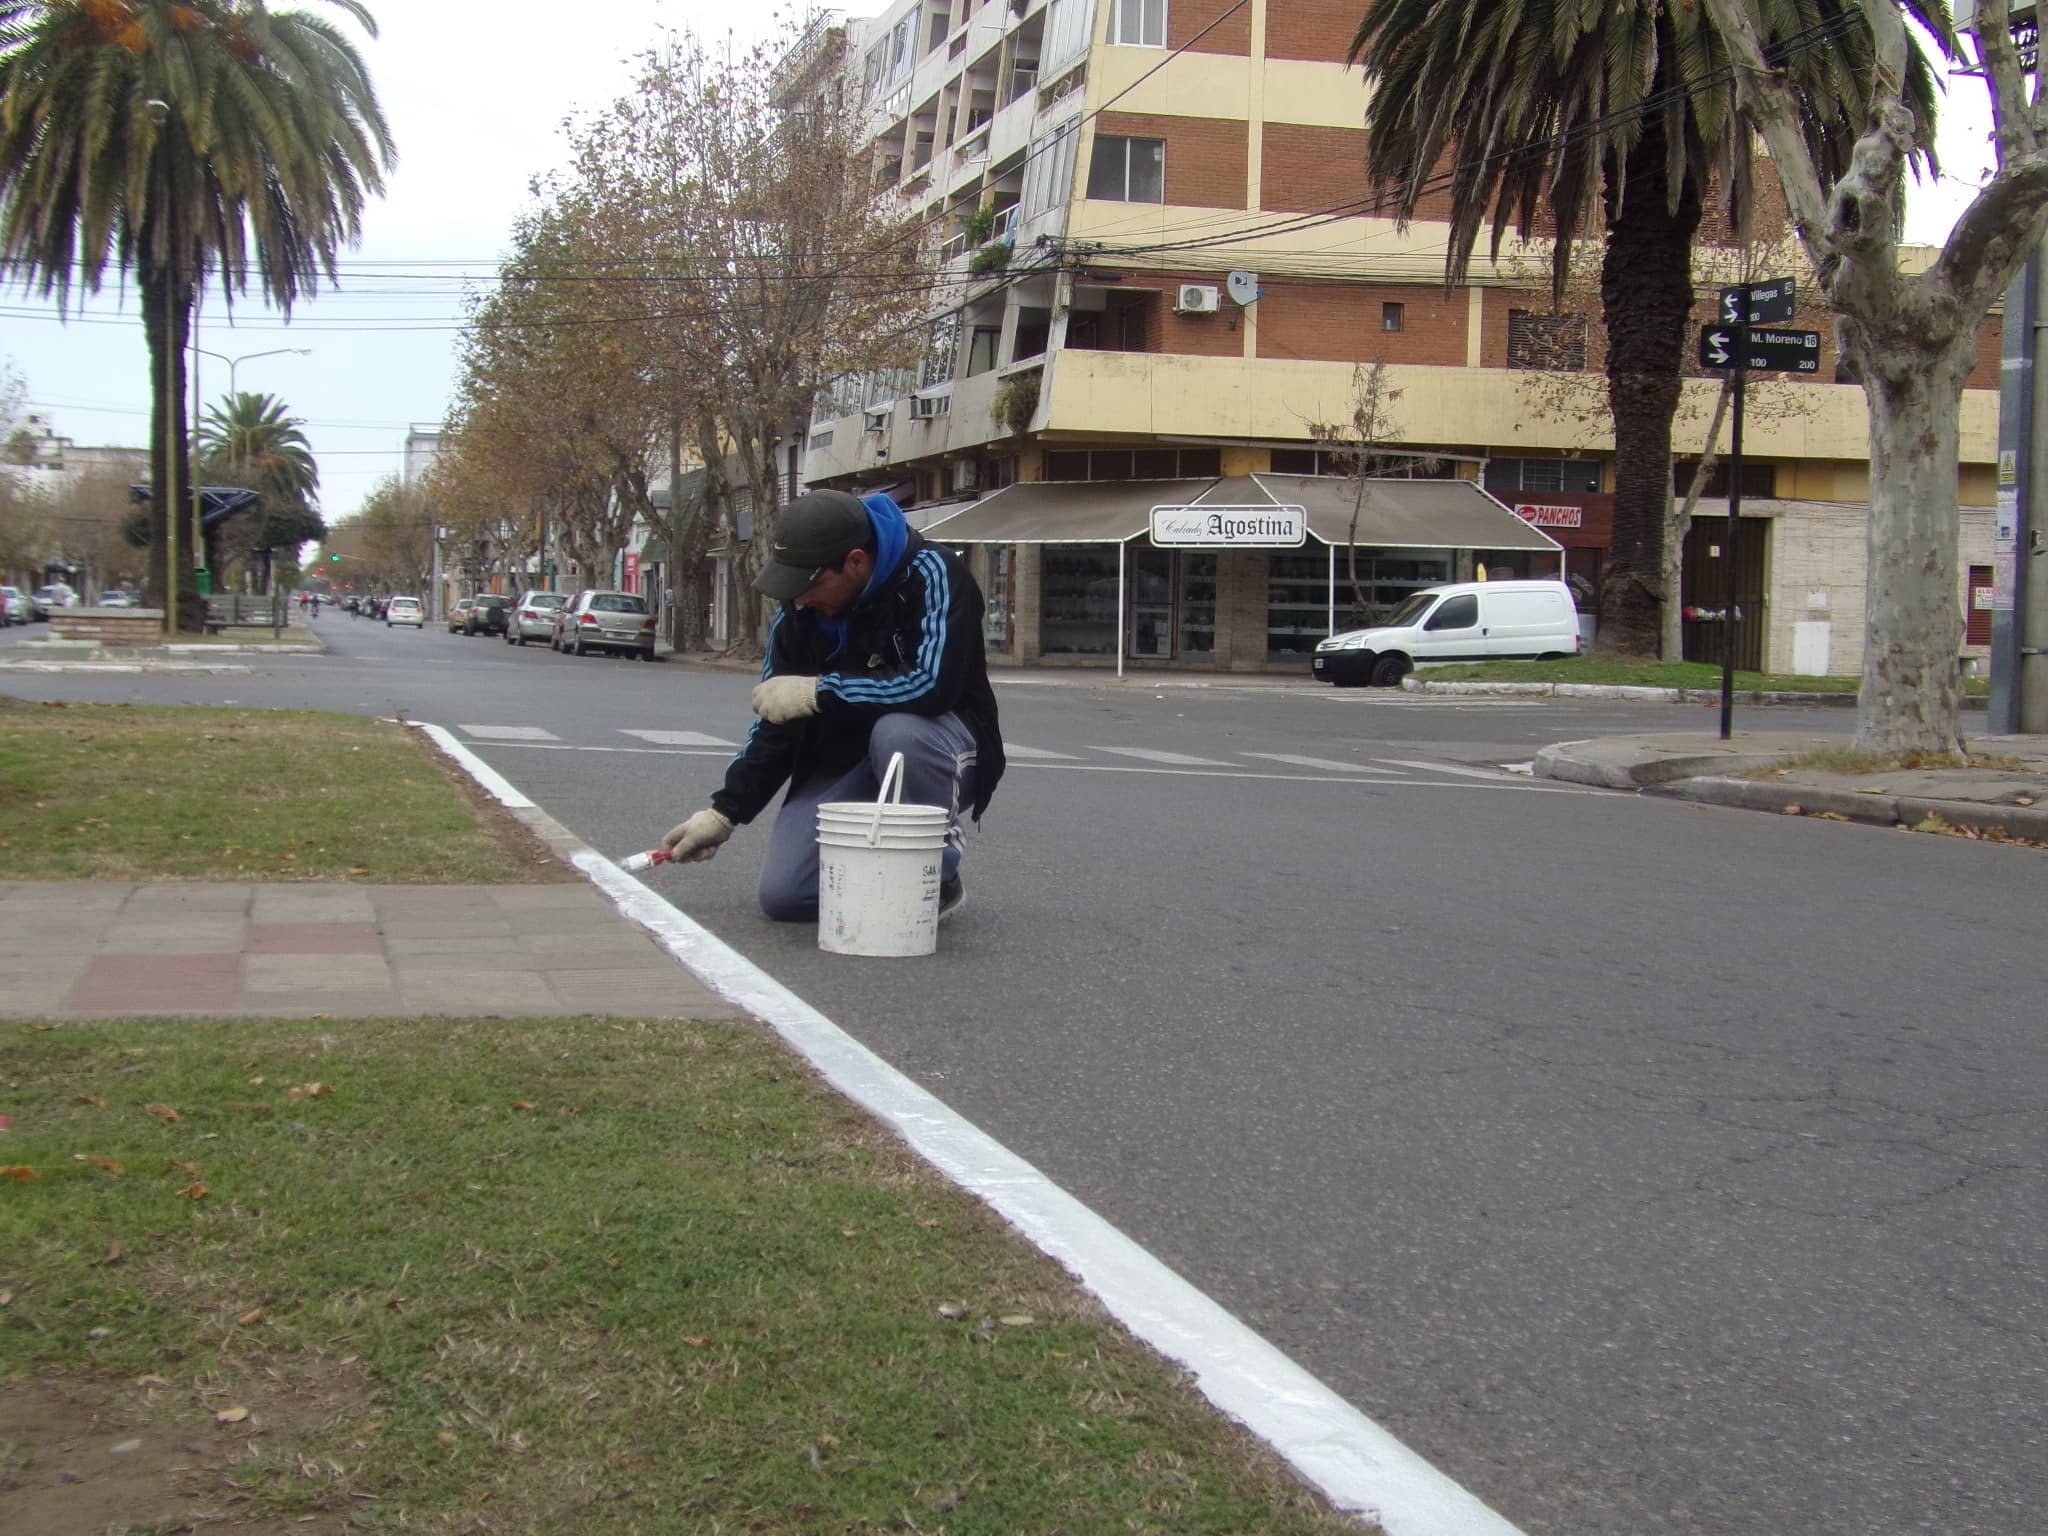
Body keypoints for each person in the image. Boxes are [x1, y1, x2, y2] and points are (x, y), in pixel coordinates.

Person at [661, 488, 1004, 922]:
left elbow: (931, 685)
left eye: (808, 584)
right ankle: (882, 876)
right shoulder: (798, 615)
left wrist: (819, 691)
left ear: (856, 562)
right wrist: (725, 812)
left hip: (939, 752)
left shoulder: (933, 574)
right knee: (787, 896)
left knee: (898, 733)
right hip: (845, 761)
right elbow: (778, 725)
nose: (798, 599)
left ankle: (934, 875)